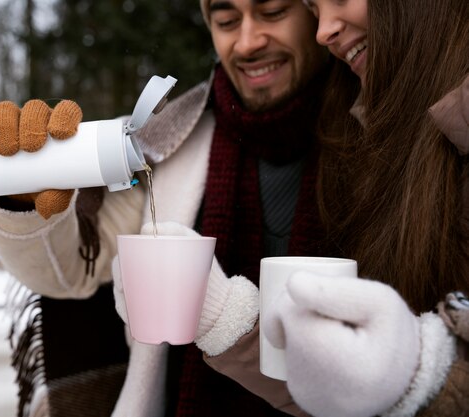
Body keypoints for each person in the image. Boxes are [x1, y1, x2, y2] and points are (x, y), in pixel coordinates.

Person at [0, 0, 333, 416]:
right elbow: (69, 273)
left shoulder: (384, 143)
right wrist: (22, 193)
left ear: (317, 13)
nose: (247, 42)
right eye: (227, 20)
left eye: (273, 12)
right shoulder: (168, 142)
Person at [193, 0, 469, 416]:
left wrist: (426, 376)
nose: (325, 30)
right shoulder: (375, 128)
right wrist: (225, 320)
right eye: (227, 21)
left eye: (273, 11)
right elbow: (348, 383)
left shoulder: (360, 138)